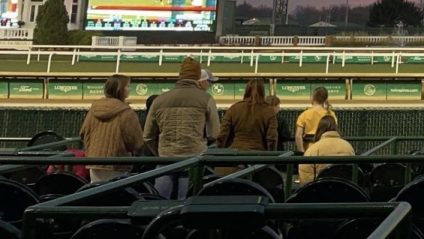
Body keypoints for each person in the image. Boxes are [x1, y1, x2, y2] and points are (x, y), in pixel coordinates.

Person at [144, 57, 220, 199]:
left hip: (165, 160)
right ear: (197, 76)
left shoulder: (159, 100)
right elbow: (215, 133)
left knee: (160, 202)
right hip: (193, 161)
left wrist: (160, 153)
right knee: (186, 203)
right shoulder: (206, 99)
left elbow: (147, 136)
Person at [79, 74, 145, 183]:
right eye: (127, 86)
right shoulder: (127, 112)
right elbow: (136, 142)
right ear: (120, 89)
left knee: (97, 196)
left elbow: (83, 133)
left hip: (94, 162)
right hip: (118, 164)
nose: (129, 89)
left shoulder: (93, 109)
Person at [217, 79, 278, 152]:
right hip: (259, 154)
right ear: (263, 92)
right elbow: (272, 137)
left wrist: (220, 150)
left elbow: (223, 133)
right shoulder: (269, 111)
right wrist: (270, 156)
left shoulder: (234, 108)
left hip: (235, 153)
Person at [299, 116, 355, 184]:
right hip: (346, 190)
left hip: (320, 190)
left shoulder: (313, 149)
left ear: (319, 129)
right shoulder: (348, 146)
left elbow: (305, 177)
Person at [295, 87, 337, 153]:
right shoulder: (331, 114)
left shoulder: (305, 114)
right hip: (327, 149)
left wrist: (302, 152)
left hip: (309, 149)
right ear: (325, 98)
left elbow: (298, 136)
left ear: (313, 98)